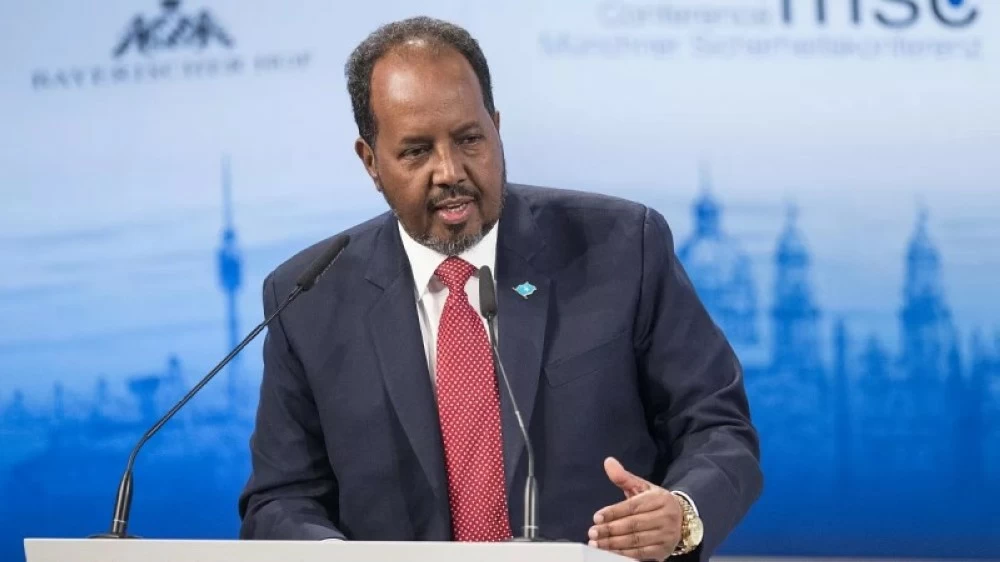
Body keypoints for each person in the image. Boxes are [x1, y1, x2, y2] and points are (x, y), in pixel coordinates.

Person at [238, 15, 762, 562]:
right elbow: (280, 499)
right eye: (416, 151)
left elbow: (718, 425)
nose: (450, 171)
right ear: (370, 161)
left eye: (469, 139)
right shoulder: (309, 296)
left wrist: (683, 513)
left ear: (496, 125)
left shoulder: (622, 246)